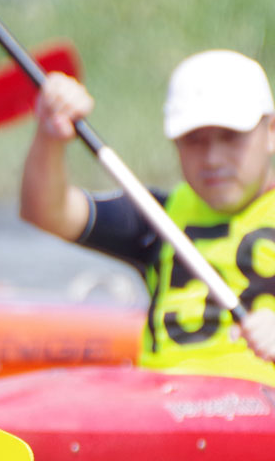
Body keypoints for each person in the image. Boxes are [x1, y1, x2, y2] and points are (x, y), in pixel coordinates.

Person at [21, 49, 275, 385]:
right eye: (194, 141)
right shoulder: (156, 216)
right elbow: (46, 212)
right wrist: (50, 136)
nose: (213, 158)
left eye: (231, 138)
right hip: (162, 409)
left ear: (271, 132)